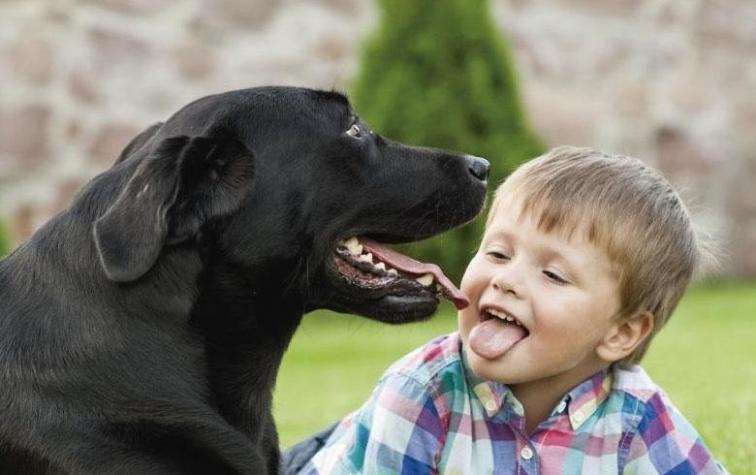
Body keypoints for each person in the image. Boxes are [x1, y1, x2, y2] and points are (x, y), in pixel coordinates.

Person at [286, 146, 727, 474]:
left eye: (553, 276)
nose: (506, 280)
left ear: (621, 333)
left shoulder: (636, 417)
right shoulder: (422, 394)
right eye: (497, 253)